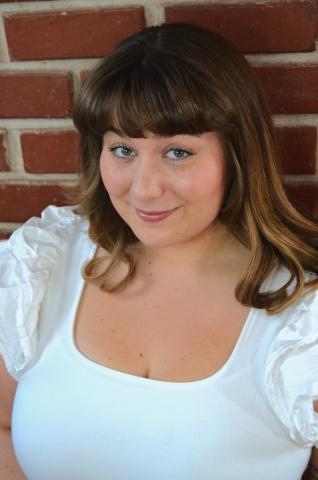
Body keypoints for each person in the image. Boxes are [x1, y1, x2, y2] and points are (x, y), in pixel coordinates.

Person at [0, 22, 317, 480]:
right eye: (124, 150)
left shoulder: (302, 312)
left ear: (238, 154)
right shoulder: (42, 266)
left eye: (178, 153)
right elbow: (5, 423)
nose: (144, 190)